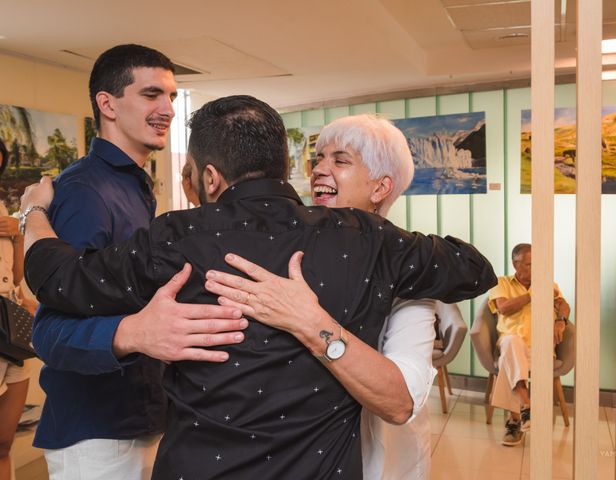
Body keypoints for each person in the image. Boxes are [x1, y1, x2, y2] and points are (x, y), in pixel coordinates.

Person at [21, 95, 497, 479]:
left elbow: (58, 279)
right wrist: (427, 286)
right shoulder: (370, 240)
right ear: (284, 162)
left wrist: (35, 214)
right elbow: (474, 268)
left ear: (209, 175)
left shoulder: (176, 237)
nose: (323, 170)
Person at [28, 45, 247, 480]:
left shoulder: (133, 186)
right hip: (98, 432)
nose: (167, 108)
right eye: (151, 95)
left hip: (141, 417)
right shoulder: (85, 191)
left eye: (170, 96)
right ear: (107, 104)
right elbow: (51, 332)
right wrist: (134, 333)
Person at [203, 114, 438, 479]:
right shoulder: (291, 253)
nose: (319, 170)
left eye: (340, 161)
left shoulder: (404, 272)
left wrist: (310, 323)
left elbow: (399, 402)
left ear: (380, 188)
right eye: (318, 159)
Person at [488, 243, 570, 446]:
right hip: (513, 344)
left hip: (540, 348)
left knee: (509, 361)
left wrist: (561, 320)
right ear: (516, 264)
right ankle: (526, 406)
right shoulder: (501, 282)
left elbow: (563, 304)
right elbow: (504, 308)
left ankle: (515, 420)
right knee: (510, 343)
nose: (536, 268)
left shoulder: (548, 283)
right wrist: (534, 294)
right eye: (530, 264)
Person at [0, 139, 32, 480]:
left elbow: (18, 276)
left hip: (10, 330)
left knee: (5, 441)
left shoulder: (2, 210)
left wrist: (18, 235)